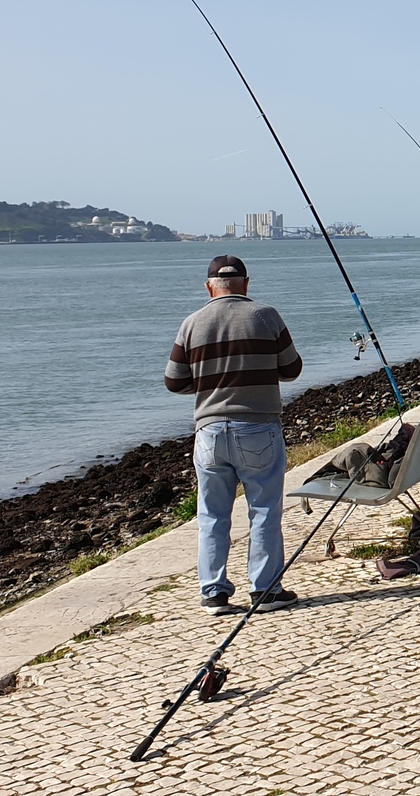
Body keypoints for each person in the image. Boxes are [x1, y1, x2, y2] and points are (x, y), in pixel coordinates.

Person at [165, 255, 303, 614]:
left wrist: (209, 383)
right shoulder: (265, 316)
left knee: (212, 514)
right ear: (246, 283)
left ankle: (214, 592)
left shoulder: (191, 323)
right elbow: (292, 369)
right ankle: (265, 590)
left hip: (209, 431)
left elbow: (174, 381)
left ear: (210, 287)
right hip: (258, 426)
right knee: (264, 511)